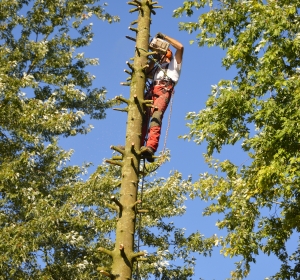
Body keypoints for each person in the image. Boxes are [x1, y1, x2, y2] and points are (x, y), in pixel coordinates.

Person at [141, 32, 184, 162]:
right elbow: (146, 72)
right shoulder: (156, 68)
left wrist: (165, 37)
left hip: (164, 89)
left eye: (164, 55)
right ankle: (138, 145)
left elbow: (180, 47)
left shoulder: (174, 65)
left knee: (156, 116)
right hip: (151, 90)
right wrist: (154, 55)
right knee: (142, 118)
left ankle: (151, 147)